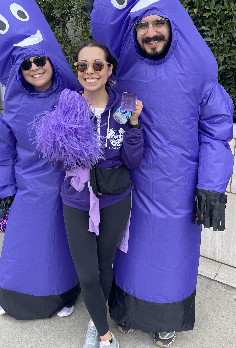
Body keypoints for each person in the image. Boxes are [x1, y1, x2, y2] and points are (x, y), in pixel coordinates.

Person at [85, 0, 234, 347]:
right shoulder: (125, 72)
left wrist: (212, 186)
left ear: (171, 26)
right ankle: (130, 311)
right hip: (133, 184)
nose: (151, 33)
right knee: (132, 252)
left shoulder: (200, 72)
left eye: (158, 24)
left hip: (180, 190)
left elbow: (217, 132)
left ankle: (168, 318)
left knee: (171, 256)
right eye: (142, 26)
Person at [0, 0, 80, 320]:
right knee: (24, 242)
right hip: (30, 189)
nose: (35, 67)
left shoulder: (70, 96)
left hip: (68, 189)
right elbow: (2, 149)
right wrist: (7, 187)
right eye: (26, 65)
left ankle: (66, 294)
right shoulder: (13, 107)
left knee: (63, 244)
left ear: (50, 60)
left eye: (39, 60)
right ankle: (15, 295)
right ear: (18, 71)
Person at [36, 40, 144, 348]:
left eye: (98, 65)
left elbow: (133, 160)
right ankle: (105, 335)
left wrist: (134, 124)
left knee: (104, 263)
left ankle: (96, 322)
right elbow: (56, 161)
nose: (90, 72)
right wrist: (65, 143)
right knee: (86, 271)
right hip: (77, 198)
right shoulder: (68, 104)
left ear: (110, 69)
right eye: (83, 66)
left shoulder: (125, 103)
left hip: (115, 195)